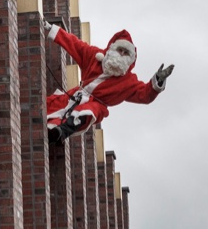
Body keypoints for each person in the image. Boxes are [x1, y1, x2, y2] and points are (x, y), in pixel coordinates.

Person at [43, 19, 174, 143]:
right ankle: (50, 130)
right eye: (119, 50)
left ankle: (62, 132)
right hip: (76, 95)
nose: (121, 54)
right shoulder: (94, 55)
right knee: (49, 107)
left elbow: (145, 94)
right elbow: (75, 44)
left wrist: (158, 80)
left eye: (126, 53)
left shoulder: (129, 81)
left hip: (96, 105)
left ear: (130, 58)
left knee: (90, 111)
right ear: (112, 49)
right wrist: (52, 29)